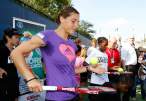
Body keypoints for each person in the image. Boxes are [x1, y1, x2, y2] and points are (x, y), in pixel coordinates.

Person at [11, 6, 105, 101]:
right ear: (62, 19)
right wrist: (30, 78)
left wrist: (89, 68)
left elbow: (69, 70)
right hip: (55, 98)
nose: (76, 25)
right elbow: (15, 53)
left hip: (74, 94)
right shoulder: (47, 36)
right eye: (73, 21)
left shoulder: (72, 44)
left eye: (78, 22)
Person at [85, 37, 113, 101]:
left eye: (107, 45)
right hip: (95, 81)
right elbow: (85, 63)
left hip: (105, 81)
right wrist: (94, 68)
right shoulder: (94, 52)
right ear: (99, 44)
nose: (106, 47)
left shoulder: (105, 54)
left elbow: (105, 67)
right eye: (104, 45)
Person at [0, 28, 20, 101]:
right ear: (8, 37)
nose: (18, 39)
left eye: (19, 37)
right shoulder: (1, 47)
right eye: (16, 37)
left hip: (14, 82)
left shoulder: (15, 50)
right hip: (3, 85)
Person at [121, 36, 137, 101]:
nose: (132, 39)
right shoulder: (125, 47)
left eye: (133, 38)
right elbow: (123, 59)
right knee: (127, 86)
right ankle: (125, 99)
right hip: (128, 68)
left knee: (131, 85)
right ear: (127, 39)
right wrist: (124, 70)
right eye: (131, 38)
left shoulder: (131, 46)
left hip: (133, 68)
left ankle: (128, 98)